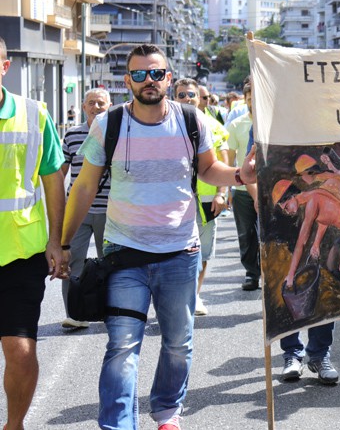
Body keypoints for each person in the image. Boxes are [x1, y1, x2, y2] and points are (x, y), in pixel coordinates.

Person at [60, 44, 256, 430]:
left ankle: (167, 412)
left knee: (178, 345)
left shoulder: (190, 120)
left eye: (156, 73)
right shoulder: (109, 124)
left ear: (168, 77)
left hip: (179, 253)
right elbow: (83, 188)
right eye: (139, 74)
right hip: (123, 255)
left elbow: (209, 169)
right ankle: (118, 424)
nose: (148, 81)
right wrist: (63, 243)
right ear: (126, 80)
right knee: (122, 346)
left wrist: (237, 177)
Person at [0, 36, 66, 430]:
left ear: (5, 66)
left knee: (20, 349)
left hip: (21, 252)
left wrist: (57, 241)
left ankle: (14, 425)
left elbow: (53, 180)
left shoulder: (34, 114)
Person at [273, 179, 340, 385]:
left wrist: (291, 274)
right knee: (335, 271)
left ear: (292, 196)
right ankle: (297, 354)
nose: (286, 211)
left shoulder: (311, 200)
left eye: (286, 206)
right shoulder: (316, 198)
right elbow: (323, 222)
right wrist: (316, 245)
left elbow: (302, 239)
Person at [174, 78, 230, 316]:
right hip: (175, 200)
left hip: (207, 199)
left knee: (203, 251)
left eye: (191, 95)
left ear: (199, 98)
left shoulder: (213, 125)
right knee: (178, 251)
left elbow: (224, 160)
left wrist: (221, 193)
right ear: (174, 97)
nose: (187, 99)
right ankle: (179, 298)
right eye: (182, 95)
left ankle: (195, 296)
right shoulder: (165, 123)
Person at [60, 87, 112, 329]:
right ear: (83, 107)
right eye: (91, 103)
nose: (96, 107)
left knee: (111, 262)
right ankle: (74, 313)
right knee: (72, 261)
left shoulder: (116, 133)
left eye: (101, 103)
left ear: (109, 106)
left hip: (110, 210)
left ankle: (112, 311)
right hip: (78, 210)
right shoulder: (71, 135)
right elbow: (59, 172)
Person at [226, 81, 261, 291]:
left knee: (267, 235)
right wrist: (228, 189)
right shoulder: (236, 125)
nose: (253, 102)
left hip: (268, 191)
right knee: (246, 234)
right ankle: (251, 272)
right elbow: (230, 161)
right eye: (250, 98)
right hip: (242, 189)